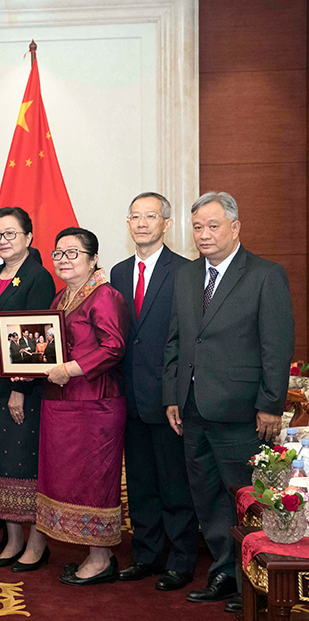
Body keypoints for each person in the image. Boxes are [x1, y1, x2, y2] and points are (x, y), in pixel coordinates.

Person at [163, 191, 294, 609]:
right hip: (192, 408)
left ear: (235, 228)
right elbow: (177, 340)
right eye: (197, 227)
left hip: (241, 411)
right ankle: (224, 572)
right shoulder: (187, 275)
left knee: (246, 498)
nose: (204, 234)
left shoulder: (265, 275)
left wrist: (270, 404)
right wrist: (172, 395)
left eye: (213, 226)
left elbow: (276, 347)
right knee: (207, 498)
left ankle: (252, 582)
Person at [109, 192, 197, 592]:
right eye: (135, 216)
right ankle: (146, 556)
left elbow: (186, 338)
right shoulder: (118, 272)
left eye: (151, 216)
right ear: (128, 224)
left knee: (175, 484)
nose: (142, 223)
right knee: (141, 484)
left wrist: (174, 392)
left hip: (169, 397)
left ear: (167, 224)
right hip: (129, 395)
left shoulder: (186, 271)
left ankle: (181, 560)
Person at [38, 227, 129, 586]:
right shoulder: (59, 298)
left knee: (94, 482)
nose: (63, 260)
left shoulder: (105, 295)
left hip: (96, 405)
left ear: (93, 260)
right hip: (61, 404)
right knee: (69, 480)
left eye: (73, 253)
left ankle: (101, 559)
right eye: (58, 253)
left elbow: (113, 346)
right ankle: (94, 554)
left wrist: (69, 370)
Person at [0, 207, 55, 571]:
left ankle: (37, 544)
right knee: (1, 463)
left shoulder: (38, 277)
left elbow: (35, 340)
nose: (3, 241)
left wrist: (19, 390)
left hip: (23, 389)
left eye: (11, 233)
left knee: (26, 465)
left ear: (28, 237)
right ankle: (12, 541)